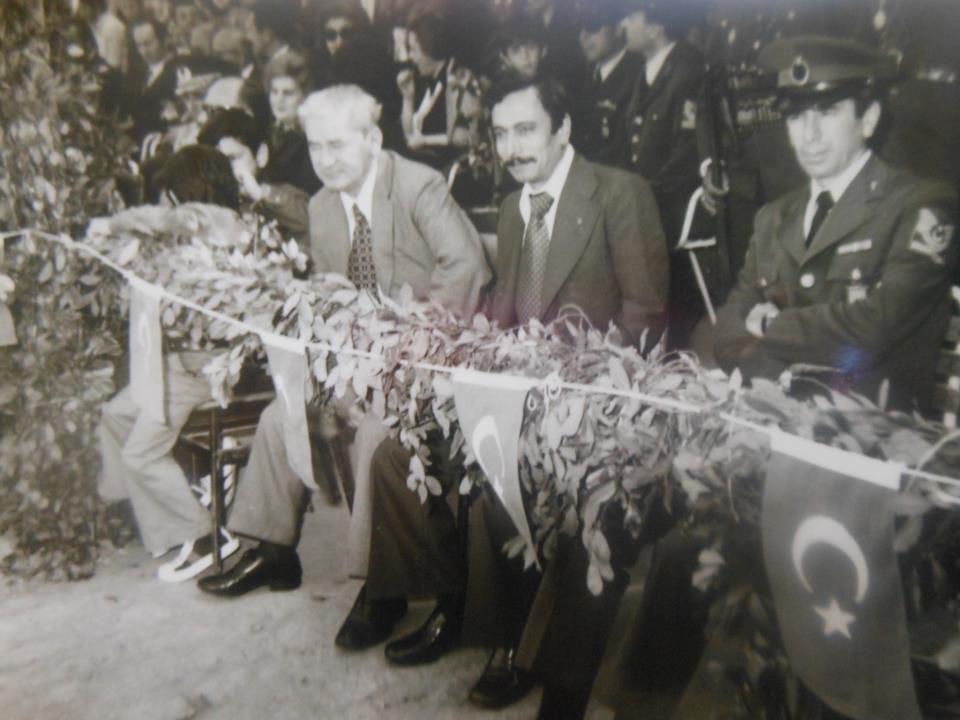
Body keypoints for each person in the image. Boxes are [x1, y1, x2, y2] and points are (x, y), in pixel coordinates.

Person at [197, 84, 491, 598]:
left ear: (372, 139)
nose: (325, 160)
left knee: (375, 435)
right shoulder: (322, 207)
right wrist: (334, 368)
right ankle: (272, 551)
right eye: (315, 147)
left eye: (337, 145)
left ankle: (381, 587)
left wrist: (404, 347)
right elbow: (334, 295)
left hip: (432, 354)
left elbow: (467, 266)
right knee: (281, 415)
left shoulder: (417, 186)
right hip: (361, 358)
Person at [714, 35, 958, 414]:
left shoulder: (920, 206)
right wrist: (781, 379)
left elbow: (875, 328)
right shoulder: (772, 218)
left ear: (868, 119)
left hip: (877, 430)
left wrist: (770, 327)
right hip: (778, 416)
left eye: (827, 112)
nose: (809, 135)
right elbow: (727, 330)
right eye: (796, 116)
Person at [96, 144, 245, 584]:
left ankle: (204, 536)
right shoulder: (210, 227)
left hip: (204, 369)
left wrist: (116, 229)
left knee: (140, 455)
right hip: (182, 364)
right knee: (115, 415)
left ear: (185, 196)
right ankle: (154, 515)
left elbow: (161, 223)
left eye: (170, 198)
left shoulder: (221, 230)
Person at [618, 0, 706, 349]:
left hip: (673, 205)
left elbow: (689, 154)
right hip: (648, 202)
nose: (623, 24)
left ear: (656, 26)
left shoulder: (688, 70)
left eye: (631, 16)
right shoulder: (645, 71)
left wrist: (641, 196)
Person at [572, 1, 643, 165]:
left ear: (618, 28)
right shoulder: (584, 75)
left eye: (592, 26)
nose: (583, 36)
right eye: (580, 28)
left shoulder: (638, 76)